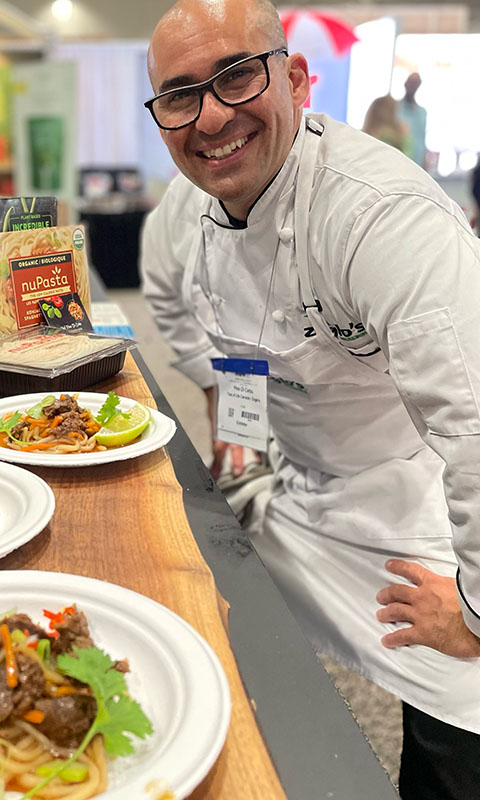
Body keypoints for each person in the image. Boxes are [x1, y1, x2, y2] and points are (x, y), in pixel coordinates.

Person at [141, 2, 480, 798]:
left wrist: (474, 613)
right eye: (181, 95)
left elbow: (476, 425)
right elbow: (230, 348)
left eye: (236, 76)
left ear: (294, 78)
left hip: (418, 501)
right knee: (205, 603)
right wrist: (243, 451)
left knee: (461, 710)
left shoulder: (380, 218)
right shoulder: (185, 217)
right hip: (297, 488)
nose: (212, 116)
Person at [397, 72, 428, 169]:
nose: (412, 86)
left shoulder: (422, 112)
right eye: (411, 83)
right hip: (399, 162)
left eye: (415, 83)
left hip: (417, 164)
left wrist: (424, 162)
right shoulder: (395, 108)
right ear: (405, 84)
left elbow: (422, 138)